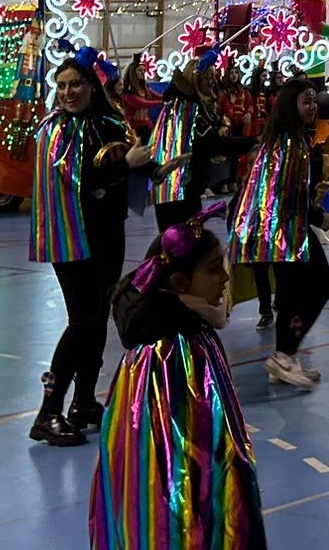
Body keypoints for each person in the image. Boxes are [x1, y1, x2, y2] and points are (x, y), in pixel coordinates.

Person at [88, 211, 264, 549]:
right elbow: (182, 456)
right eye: (214, 269)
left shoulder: (188, 327)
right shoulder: (170, 350)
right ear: (181, 283)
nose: (225, 279)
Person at [30, 49, 153, 446]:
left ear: (90, 86)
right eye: (61, 86)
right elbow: (81, 177)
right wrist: (125, 166)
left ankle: (83, 401)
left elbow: (121, 167)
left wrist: (152, 163)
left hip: (106, 233)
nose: (67, 92)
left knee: (99, 318)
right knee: (82, 322)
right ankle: (48, 412)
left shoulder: (105, 123)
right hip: (74, 238)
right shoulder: (56, 131)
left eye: (75, 84)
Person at [230, 75, 329, 390]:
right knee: (317, 287)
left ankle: (283, 357)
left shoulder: (288, 140)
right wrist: (320, 216)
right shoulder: (289, 143)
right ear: (292, 106)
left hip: (282, 230)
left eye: (313, 100)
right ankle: (284, 356)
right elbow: (288, 195)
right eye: (306, 101)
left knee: (294, 292)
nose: (313, 107)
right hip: (280, 231)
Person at [150, 57, 259, 231]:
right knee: (180, 242)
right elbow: (210, 144)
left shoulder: (188, 104)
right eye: (207, 77)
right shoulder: (188, 107)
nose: (211, 81)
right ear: (196, 79)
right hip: (178, 187)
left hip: (182, 185)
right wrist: (251, 143)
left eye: (213, 76)